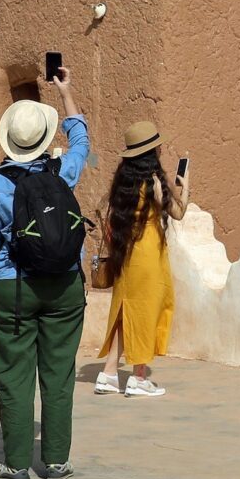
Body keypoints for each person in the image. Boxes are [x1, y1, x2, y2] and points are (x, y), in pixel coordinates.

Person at [0, 69, 91, 479]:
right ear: (43, 138)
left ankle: (17, 465)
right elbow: (81, 139)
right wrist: (66, 91)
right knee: (58, 374)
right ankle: (56, 461)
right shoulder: (62, 173)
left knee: (14, 376)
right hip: (64, 286)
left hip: (12, 289)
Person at [94, 121, 185, 397]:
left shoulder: (123, 181)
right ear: (152, 152)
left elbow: (103, 212)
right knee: (145, 312)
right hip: (148, 256)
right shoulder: (154, 182)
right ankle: (139, 377)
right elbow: (179, 213)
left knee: (126, 312)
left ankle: (109, 374)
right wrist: (184, 186)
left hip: (127, 255)